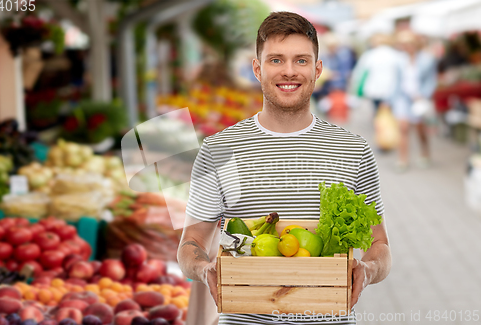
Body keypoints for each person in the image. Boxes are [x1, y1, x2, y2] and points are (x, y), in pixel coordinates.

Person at [178, 12, 391, 325]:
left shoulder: (353, 150)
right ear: (257, 68)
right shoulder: (218, 149)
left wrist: (369, 270)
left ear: (318, 69)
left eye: (301, 60)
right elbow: (190, 244)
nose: (289, 72)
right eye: (276, 60)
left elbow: (380, 245)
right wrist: (203, 267)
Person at [393, 31, 437, 171]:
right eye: (404, 44)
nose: (407, 47)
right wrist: (390, 99)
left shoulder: (427, 59)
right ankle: (402, 160)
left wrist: (423, 94)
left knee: (420, 129)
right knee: (403, 128)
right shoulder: (399, 59)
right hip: (403, 98)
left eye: (409, 44)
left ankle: (425, 153)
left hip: (419, 99)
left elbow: (431, 80)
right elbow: (396, 81)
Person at [350, 33, 402, 114]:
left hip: (374, 90)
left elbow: (359, 73)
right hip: (391, 90)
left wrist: (356, 91)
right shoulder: (396, 55)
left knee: (378, 114)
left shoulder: (370, 55)